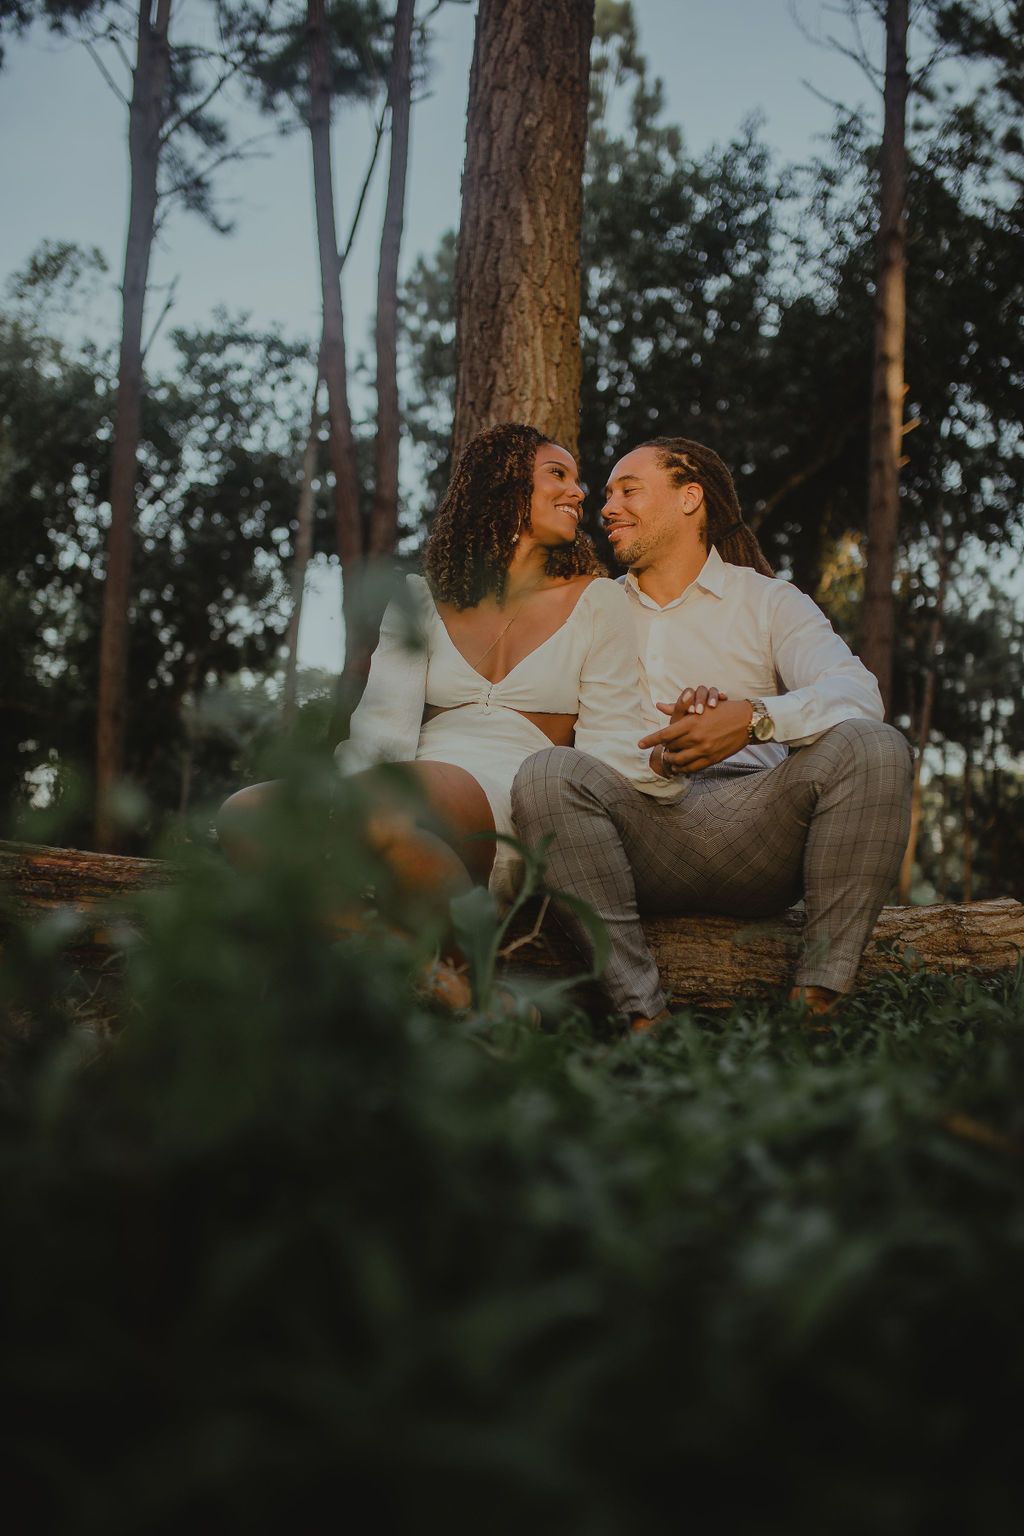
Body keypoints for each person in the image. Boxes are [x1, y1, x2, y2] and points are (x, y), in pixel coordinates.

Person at [221, 422, 683, 1004]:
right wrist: (339, 804)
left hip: (511, 795)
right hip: (402, 794)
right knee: (245, 811)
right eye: (557, 475)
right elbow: (381, 733)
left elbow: (610, 738)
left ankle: (445, 961)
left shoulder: (599, 600)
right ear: (504, 486)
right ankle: (447, 980)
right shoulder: (421, 598)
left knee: (390, 799)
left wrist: (661, 768)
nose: (580, 493)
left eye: (577, 479)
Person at [510, 436, 914, 1030]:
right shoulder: (590, 608)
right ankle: (644, 1016)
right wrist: (651, 756)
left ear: (689, 497)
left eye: (629, 490)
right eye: (607, 494)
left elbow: (857, 693)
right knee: (545, 774)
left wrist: (751, 719)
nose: (607, 507)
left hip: (758, 831)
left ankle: (817, 1005)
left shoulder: (769, 600)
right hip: (636, 832)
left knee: (878, 746)